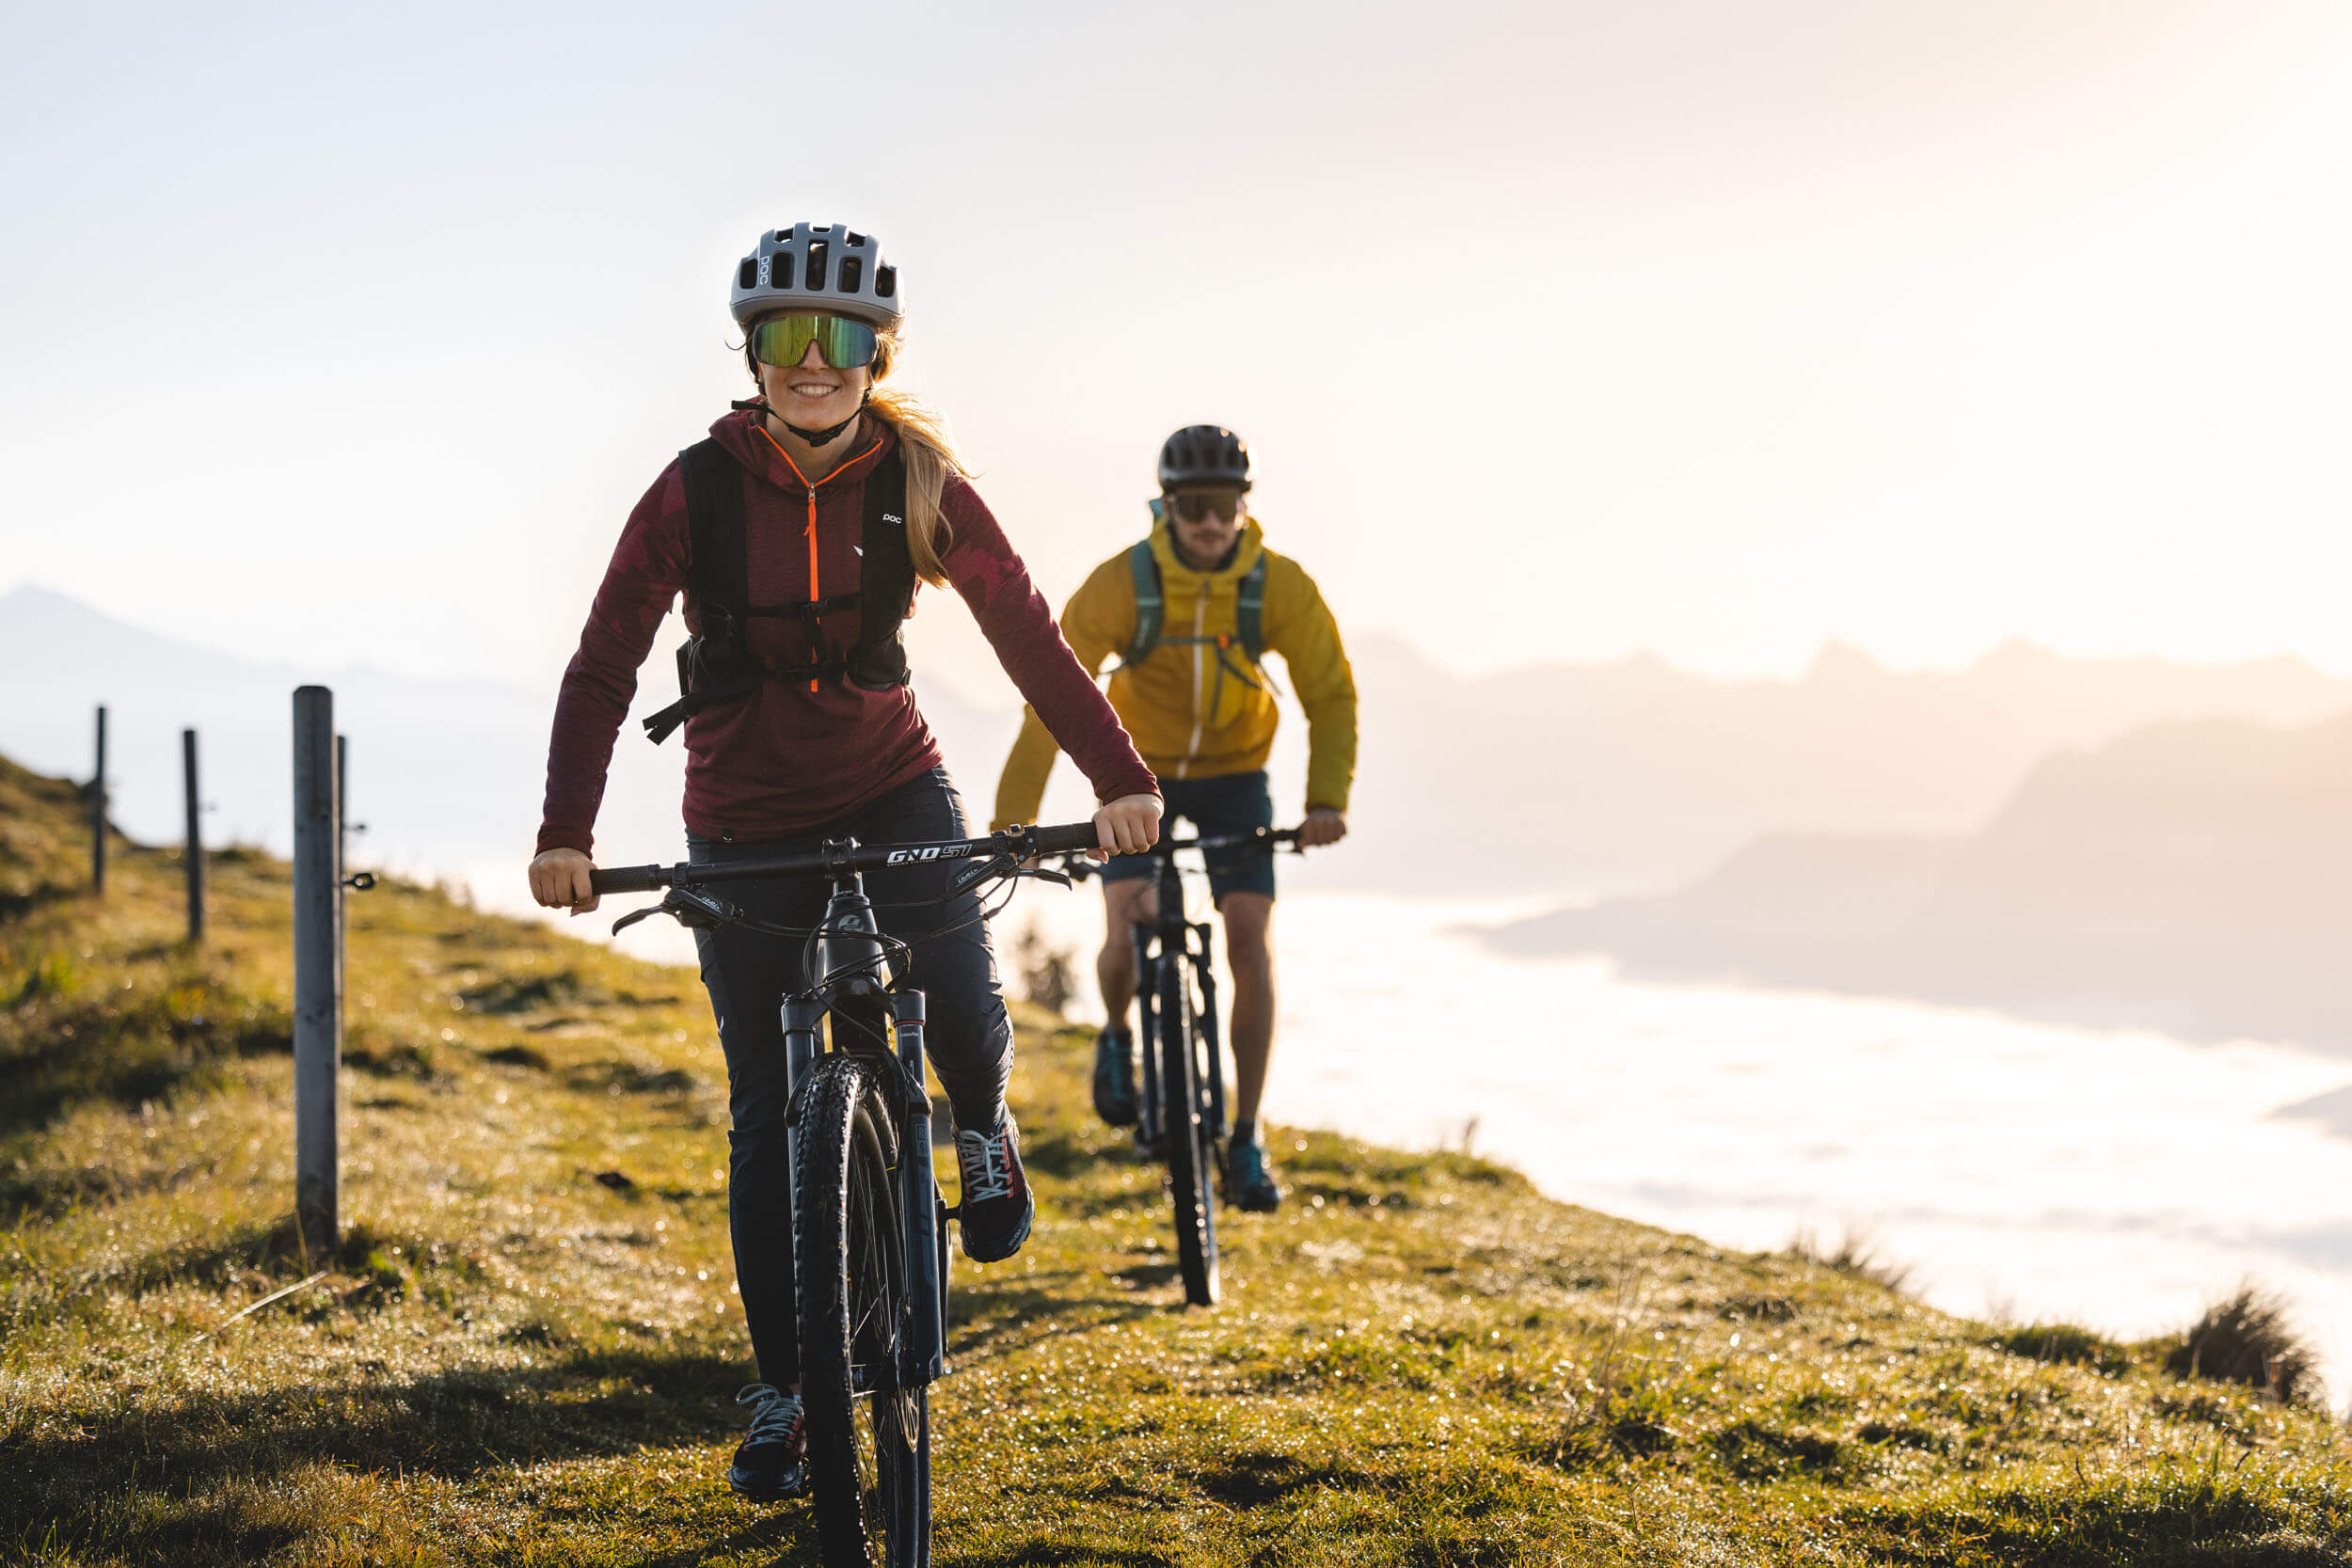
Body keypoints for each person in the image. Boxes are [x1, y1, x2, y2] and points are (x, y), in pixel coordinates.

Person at [527, 223, 1162, 1502]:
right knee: (765, 1105)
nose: (812, 364)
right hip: (744, 817)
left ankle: (981, 1128)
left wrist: (1122, 779)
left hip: (890, 782)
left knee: (965, 1004)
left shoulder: (921, 482)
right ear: (750, 352)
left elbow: (1031, 635)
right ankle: (784, 1386)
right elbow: (603, 658)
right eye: (783, 339)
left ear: (880, 353)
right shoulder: (692, 493)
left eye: (841, 340)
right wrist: (566, 829)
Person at [991, 424, 1356, 1212]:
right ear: (1167, 505)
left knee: (1250, 942)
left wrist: (1326, 801)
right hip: (1138, 777)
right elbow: (1052, 698)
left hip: (1236, 777)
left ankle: (1248, 1135)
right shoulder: (1123, 584)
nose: (1211, 521)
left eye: (1226, 503)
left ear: (1242, 506)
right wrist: (1013, 823)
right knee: (1126, 926)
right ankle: (1118, 1035)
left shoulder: (1276, 585)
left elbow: (1330, 692)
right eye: (1196, 504)